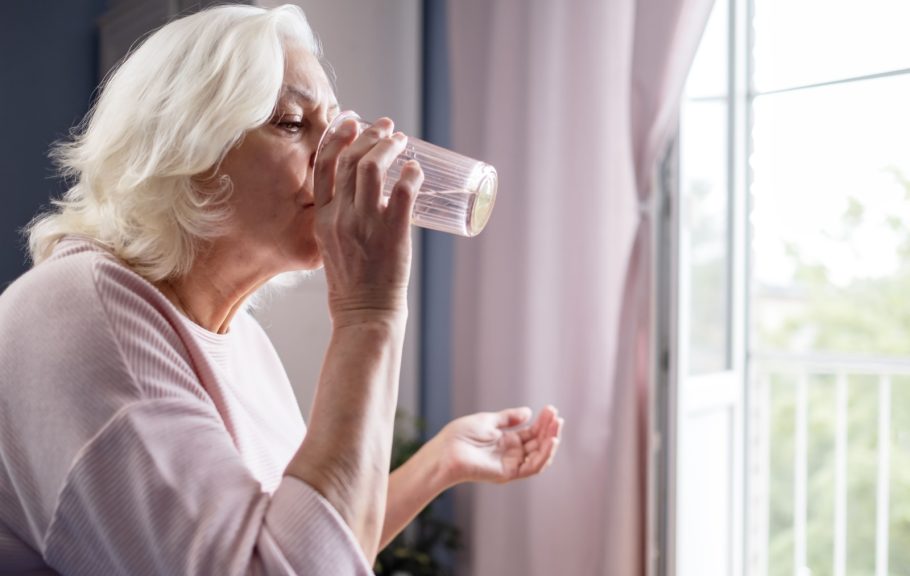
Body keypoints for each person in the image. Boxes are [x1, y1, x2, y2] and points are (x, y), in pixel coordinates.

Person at [0, 4, 563, 574]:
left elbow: (304, 543)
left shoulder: (241, 340)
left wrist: (438, 463)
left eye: (337, 124)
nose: (339, 156)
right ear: (185, 152)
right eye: (293, 123)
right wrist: (369, 315)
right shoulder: (80, 311)